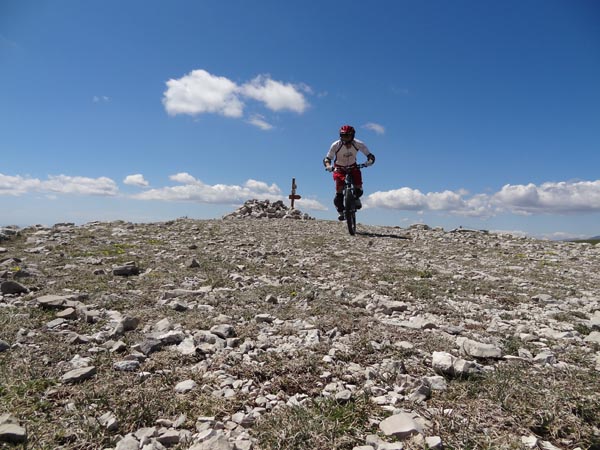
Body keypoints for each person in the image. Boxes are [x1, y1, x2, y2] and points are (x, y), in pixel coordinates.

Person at [323, 125, 375, 220]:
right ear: (340, 136)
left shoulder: (358, 144)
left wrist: (369, 162)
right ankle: (341, 211)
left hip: (353, 166)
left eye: (348, 136)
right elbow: (328, 158)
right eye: (343, 136)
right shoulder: (336, 145)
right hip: (339, 168)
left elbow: (369, 155)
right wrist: (328, 166)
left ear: (353, 136)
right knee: (339, 192)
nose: (346, 138)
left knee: (359, 188)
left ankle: (356, 198)